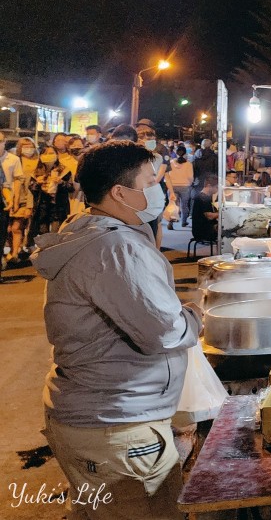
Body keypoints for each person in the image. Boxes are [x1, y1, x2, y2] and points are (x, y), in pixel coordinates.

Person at [32, 140, 202, 519]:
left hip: (100, 415)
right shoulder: (115, 248)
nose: (158, 188)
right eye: (149, 180)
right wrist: (196, 314)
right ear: (120, 193)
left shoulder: (91, 231)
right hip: (116, 428)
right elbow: (163, 332)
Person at [136, 123, 171, 246]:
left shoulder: (158, 153)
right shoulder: (136, 153)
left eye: (150, 137)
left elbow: (162, 173)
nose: (148, 140)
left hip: (152, 193)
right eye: (143, 137)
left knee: (154, 223)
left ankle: (155, 251)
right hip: (139, 195)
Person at [5, 138, 38, 264]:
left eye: (30, 146)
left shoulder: (37, 162)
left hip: (27, 198)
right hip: (11, 197)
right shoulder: (15, 160)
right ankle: (15, 249)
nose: (28, 148)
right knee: (8, 228)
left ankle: (15, 253)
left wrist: (29, 205)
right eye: (24, 146)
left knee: (17, 227)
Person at [166, 145, 194, 228]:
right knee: (184, 205)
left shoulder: (171, 163)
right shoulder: (188, 164)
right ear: (185, 153)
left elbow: (167, 176)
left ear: (176, 152)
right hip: (185, 187)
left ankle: (171, 222)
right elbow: (190, 177)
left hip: (172, 186)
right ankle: (184, 222)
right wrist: (190, 182)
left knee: (173, 205)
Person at [191, 175, 220, 243]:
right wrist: (222, 213)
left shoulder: (205, 197)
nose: (217, 189)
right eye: (216, 187)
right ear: (209, 186)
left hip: (204, 228)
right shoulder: (202, 198)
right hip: (203, 231)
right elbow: (209, 216)